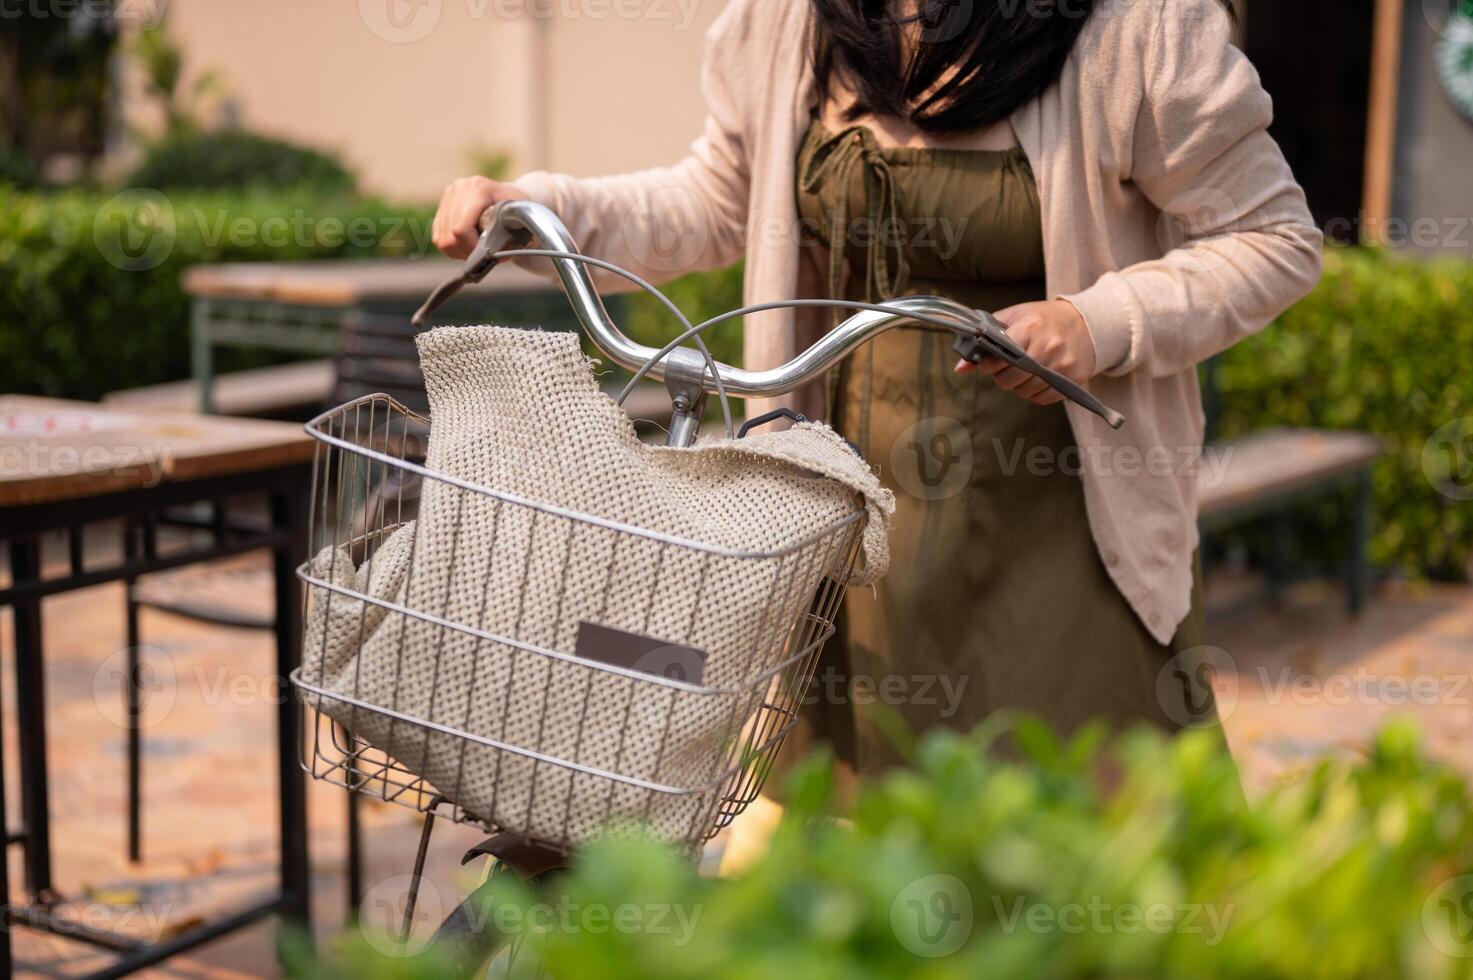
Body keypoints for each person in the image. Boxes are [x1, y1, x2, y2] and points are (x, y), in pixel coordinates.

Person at [431, 0, 1322, 777]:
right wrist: (541, 209)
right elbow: (715, 200)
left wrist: (1096, 324)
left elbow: (1272, 240)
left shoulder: (1139, 28)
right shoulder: (792, 23)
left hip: (1064, 524)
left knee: (1069, 859)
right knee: (861, 870)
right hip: (852, 519)